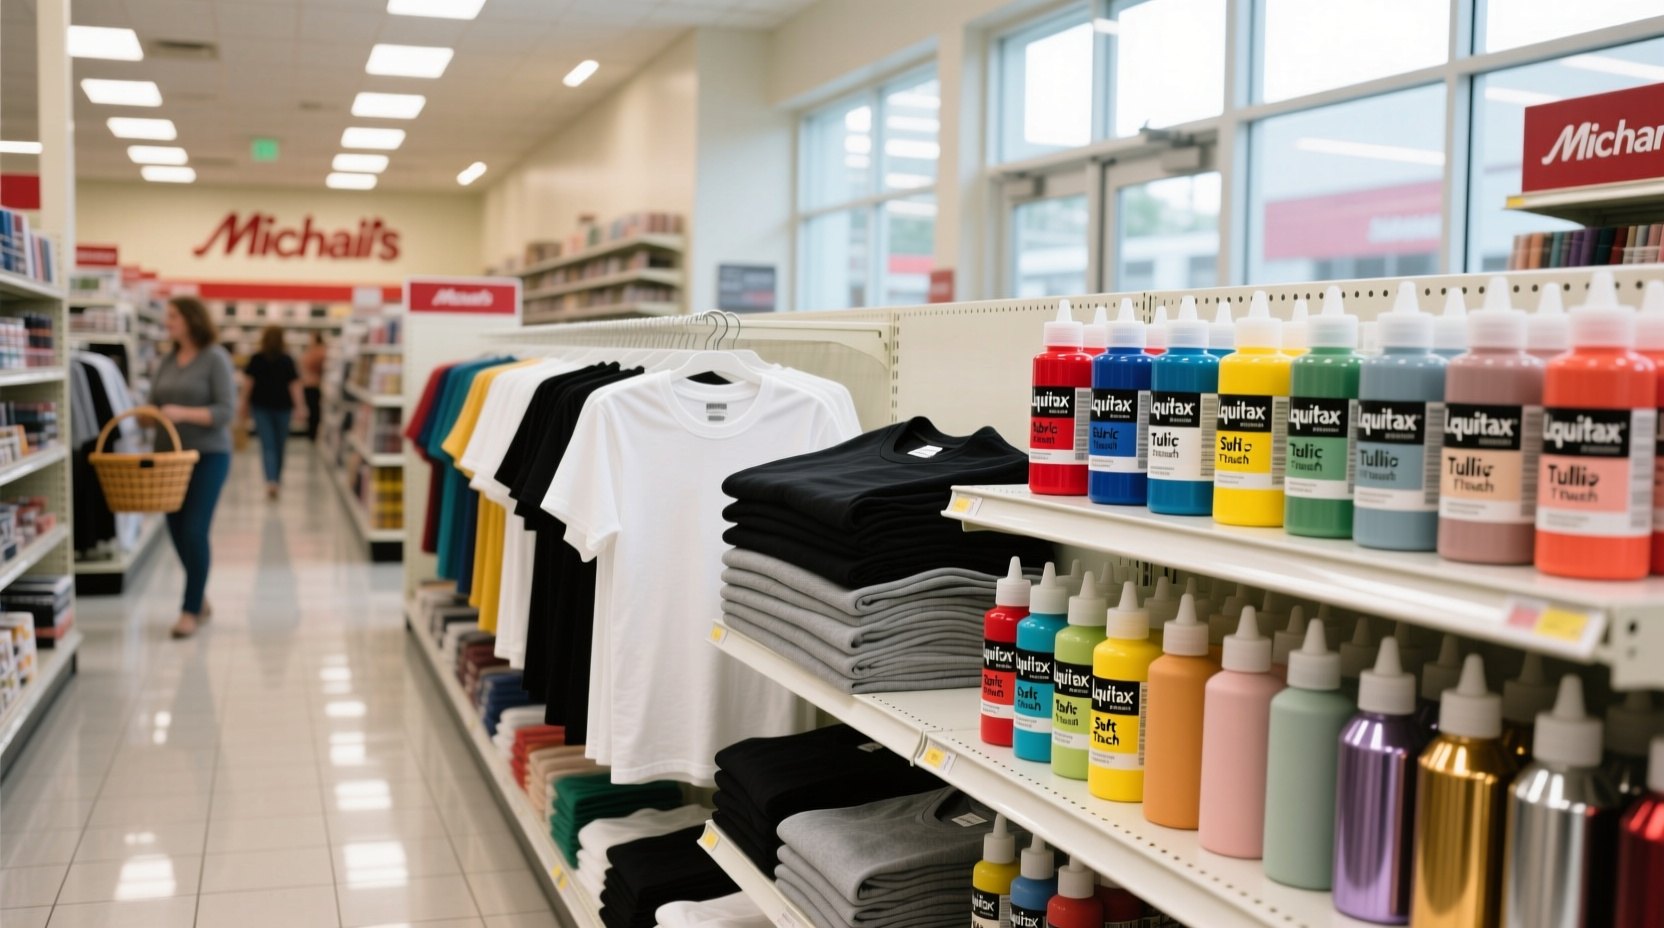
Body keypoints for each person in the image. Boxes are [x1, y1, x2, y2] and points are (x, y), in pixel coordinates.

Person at [151, 297, 236, 639]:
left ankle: (189, 610)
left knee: (194, 530)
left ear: (191, 320)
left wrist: (183, 413)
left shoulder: (215, 358)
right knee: (174, 527)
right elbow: (156, 401)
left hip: (208, 456)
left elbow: (225, 411)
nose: (167, 322)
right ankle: (199, 597)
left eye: (173, 316)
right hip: (168, 459)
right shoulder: (168, 359)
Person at [240, 326, 306, 500]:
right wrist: (300, 407)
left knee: (267, 446)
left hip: (261, 407)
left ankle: (271, 481)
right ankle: (276, 478)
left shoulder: (256, 359)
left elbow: (248, 384)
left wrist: (243, 405)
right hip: (283, 408)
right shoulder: (287, 360)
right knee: (280, 445)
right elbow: (295, 386)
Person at [300, 331, 326, 441]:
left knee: (313, 409)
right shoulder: (314, 350)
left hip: (313, 384)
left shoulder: (318, 351)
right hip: (309, 383)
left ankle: (312, 433)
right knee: (312, 409)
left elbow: (307, 363)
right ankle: (311, 432)